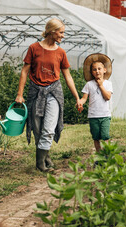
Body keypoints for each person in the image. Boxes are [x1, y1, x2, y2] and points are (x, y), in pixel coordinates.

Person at [15, 18, 82, 172]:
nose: (63, 36)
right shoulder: (33, 48)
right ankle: (45, 157)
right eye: (61, 32)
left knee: (49, 129)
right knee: (37, 129)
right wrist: (20, 94)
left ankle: (40, 165)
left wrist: (77, 97)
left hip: (53, 92)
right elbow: (25, 71)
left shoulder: (61, 52)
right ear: (52, 32)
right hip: (35, 92)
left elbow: (68, 76)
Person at [78, 53, 113, 152]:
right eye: (94, 69)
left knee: (105, 136)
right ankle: (99, 155)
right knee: (96, 137)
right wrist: (80, 102)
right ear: (92, 72)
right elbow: (84, 98)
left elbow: (107, 97)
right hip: (93, 115)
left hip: (105, 115)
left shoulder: (108, 84)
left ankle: (106, 155)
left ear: (104, 70)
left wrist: (101, 85)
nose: (97, 71)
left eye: (99, 69)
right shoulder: (89, 84)